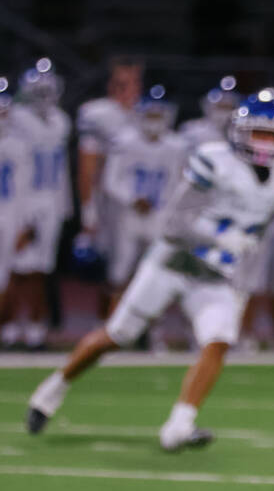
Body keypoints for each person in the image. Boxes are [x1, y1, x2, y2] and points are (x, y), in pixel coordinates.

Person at [26, 89, 274, 449]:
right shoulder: (214, 161)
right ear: (239, 132)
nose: (264, 143)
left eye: (272, 135)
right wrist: (221, 241)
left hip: (214, 276)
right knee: (116, 335)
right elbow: (173, 225)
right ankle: (52, 389)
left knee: (218, 341)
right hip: (172, 263)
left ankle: (179, 426)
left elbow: (258, 231)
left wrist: (242, 283)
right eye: (257, 133)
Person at [3, 61, 71, 350]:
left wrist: (65, 204)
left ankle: (33, 327)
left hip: (51, 200)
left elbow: (63, 166)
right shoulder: (17, 119)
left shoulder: (61, 120)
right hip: (23, 201)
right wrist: (24, 215)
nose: (44, 97)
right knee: (17, 267)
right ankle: (11, 326)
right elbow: (22, 175)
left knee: (40, 268)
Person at [101, 86, 189, 300]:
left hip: (160, 215)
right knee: (119, 269)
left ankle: (149, 328)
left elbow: (182, 184)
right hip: (128, 214)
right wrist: (132, 198)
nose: (154, 119)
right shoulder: (125, 141)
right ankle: (108, 321)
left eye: (159, 115)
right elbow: (110, 180)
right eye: (150, 114)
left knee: (156, 272)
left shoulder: (177, 146)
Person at [76, 56, 143, 318]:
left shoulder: (145, 113)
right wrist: (88, 210)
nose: (129, 90)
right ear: (110, 84)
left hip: (144, 202)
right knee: (114, 270)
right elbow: (88, 166)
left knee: (140, 270)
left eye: (135, 82)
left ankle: (135, 329)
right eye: (122, 83)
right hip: (111, 202)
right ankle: (106, 327)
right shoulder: (98, 114)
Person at [0, 79, 33, 321]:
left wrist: (23, 224)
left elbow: (24, 188)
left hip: (8, 213)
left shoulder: (19, 146)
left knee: (3, 276)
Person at [179, 76, 241, 148]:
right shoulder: (191, 130)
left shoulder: (239, 134)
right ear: (208, 107)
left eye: (228, 107)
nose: (224, 112)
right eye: (220, 106)